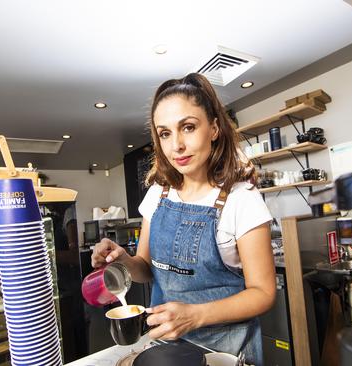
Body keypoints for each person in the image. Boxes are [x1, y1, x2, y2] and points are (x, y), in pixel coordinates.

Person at [91, 73, 275, 364]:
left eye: (188, 127)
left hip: (226, 351)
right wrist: (122, 259)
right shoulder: (158, 194)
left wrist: (196, 315)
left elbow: (263, 293)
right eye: (165, 133)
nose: (176, 145)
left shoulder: (241, 200)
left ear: (214, 128)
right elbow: (146, 268)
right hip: (166, 345)